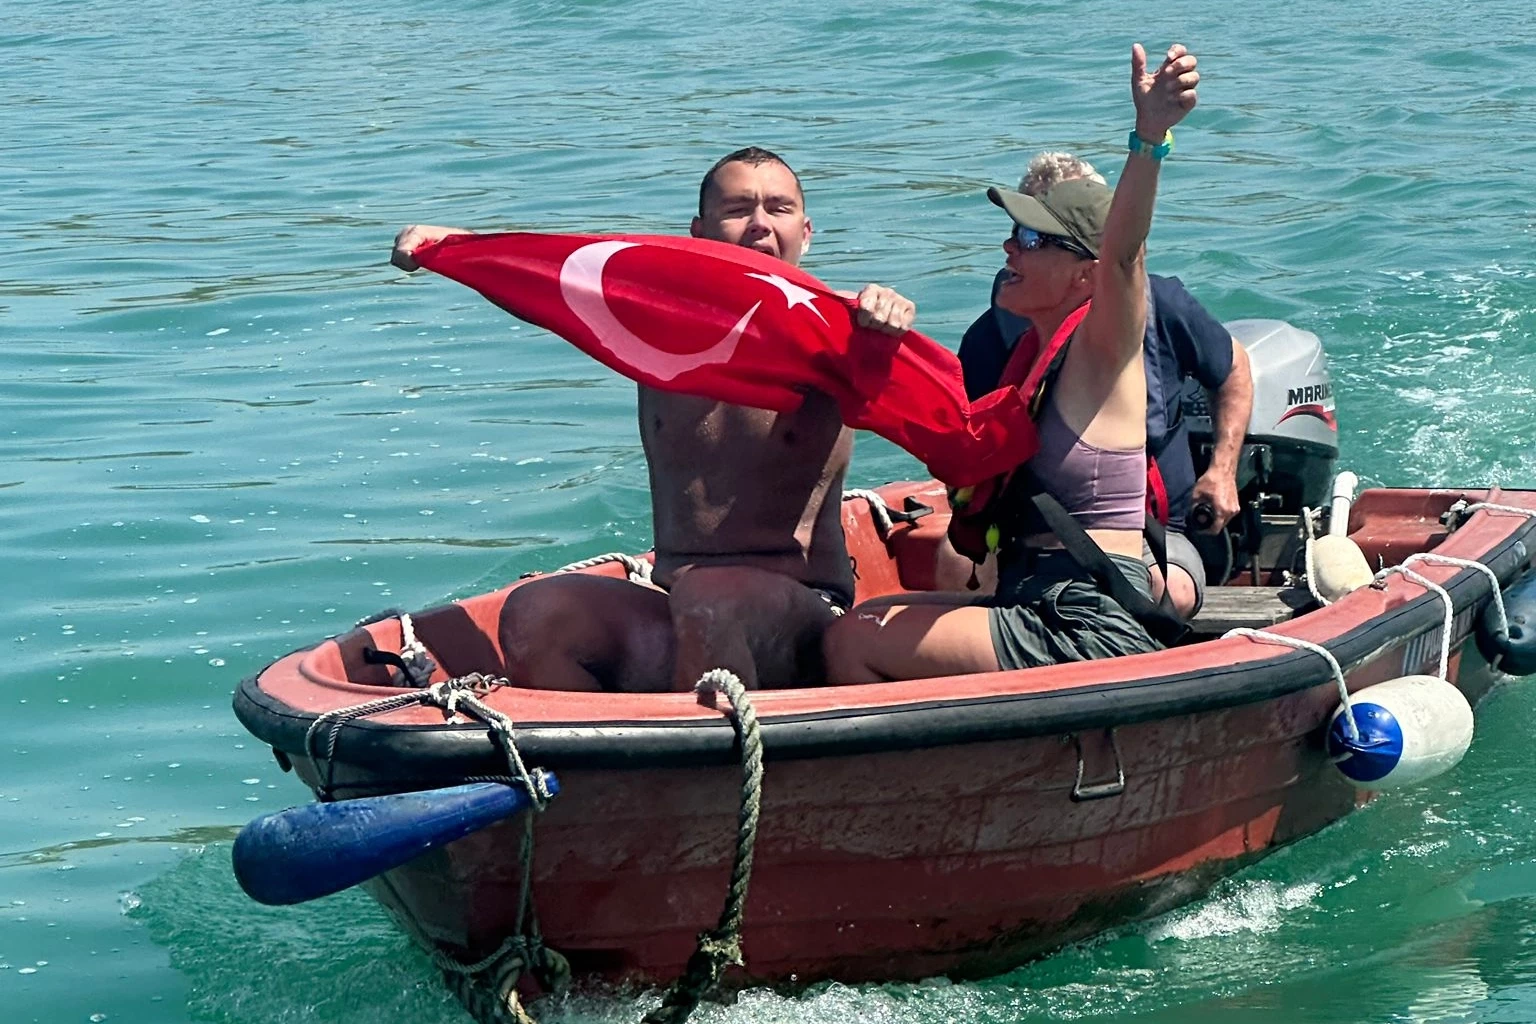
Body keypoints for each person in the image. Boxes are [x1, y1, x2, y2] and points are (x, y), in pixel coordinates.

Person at [391, 147, 916, 692]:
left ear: (805, 233)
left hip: (804, 610)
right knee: (536, 612)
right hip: (676, 598)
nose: (760, 224)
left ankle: (714, 744)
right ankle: (594, 746)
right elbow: (547, 284)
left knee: (711, 599)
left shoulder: (845, 334)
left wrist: (889, 323)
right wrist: (453, 248)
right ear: (699, 232)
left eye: (778, 209)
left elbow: (933, 409)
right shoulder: (656, 324)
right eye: (738, 209)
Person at [822, 42, 1200, 684]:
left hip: (1087, 619)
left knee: (853, 641)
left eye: (1030, 238)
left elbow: (1123, 254)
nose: (1008, 248)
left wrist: (1150, 137)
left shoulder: (1102, 350)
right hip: (1033, 598)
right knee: (873, 616)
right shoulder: (1027, 360)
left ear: (1084, 274)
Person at [957, 152, 1254, 618]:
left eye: (1037, 236)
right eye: (1022, 230)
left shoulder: (1160, 306)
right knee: (953, 563)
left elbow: (1234, 367)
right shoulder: (990, 338)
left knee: (1165, 590)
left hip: (1154, 535)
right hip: (1029, 539)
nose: (1015, 247)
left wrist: (1222, 469)